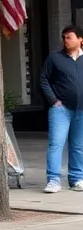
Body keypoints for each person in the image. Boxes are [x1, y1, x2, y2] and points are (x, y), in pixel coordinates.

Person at [39, 25, 83, 193]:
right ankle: (53, 180)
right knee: (56, 143)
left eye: (69, 37)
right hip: (61, 109)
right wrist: (53, 100)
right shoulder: (55, 58)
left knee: (78, 145)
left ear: (80, 39)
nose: (65, 40)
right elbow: (43, 80)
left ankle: (77, 179)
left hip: (81, 110)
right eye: (64, 37)